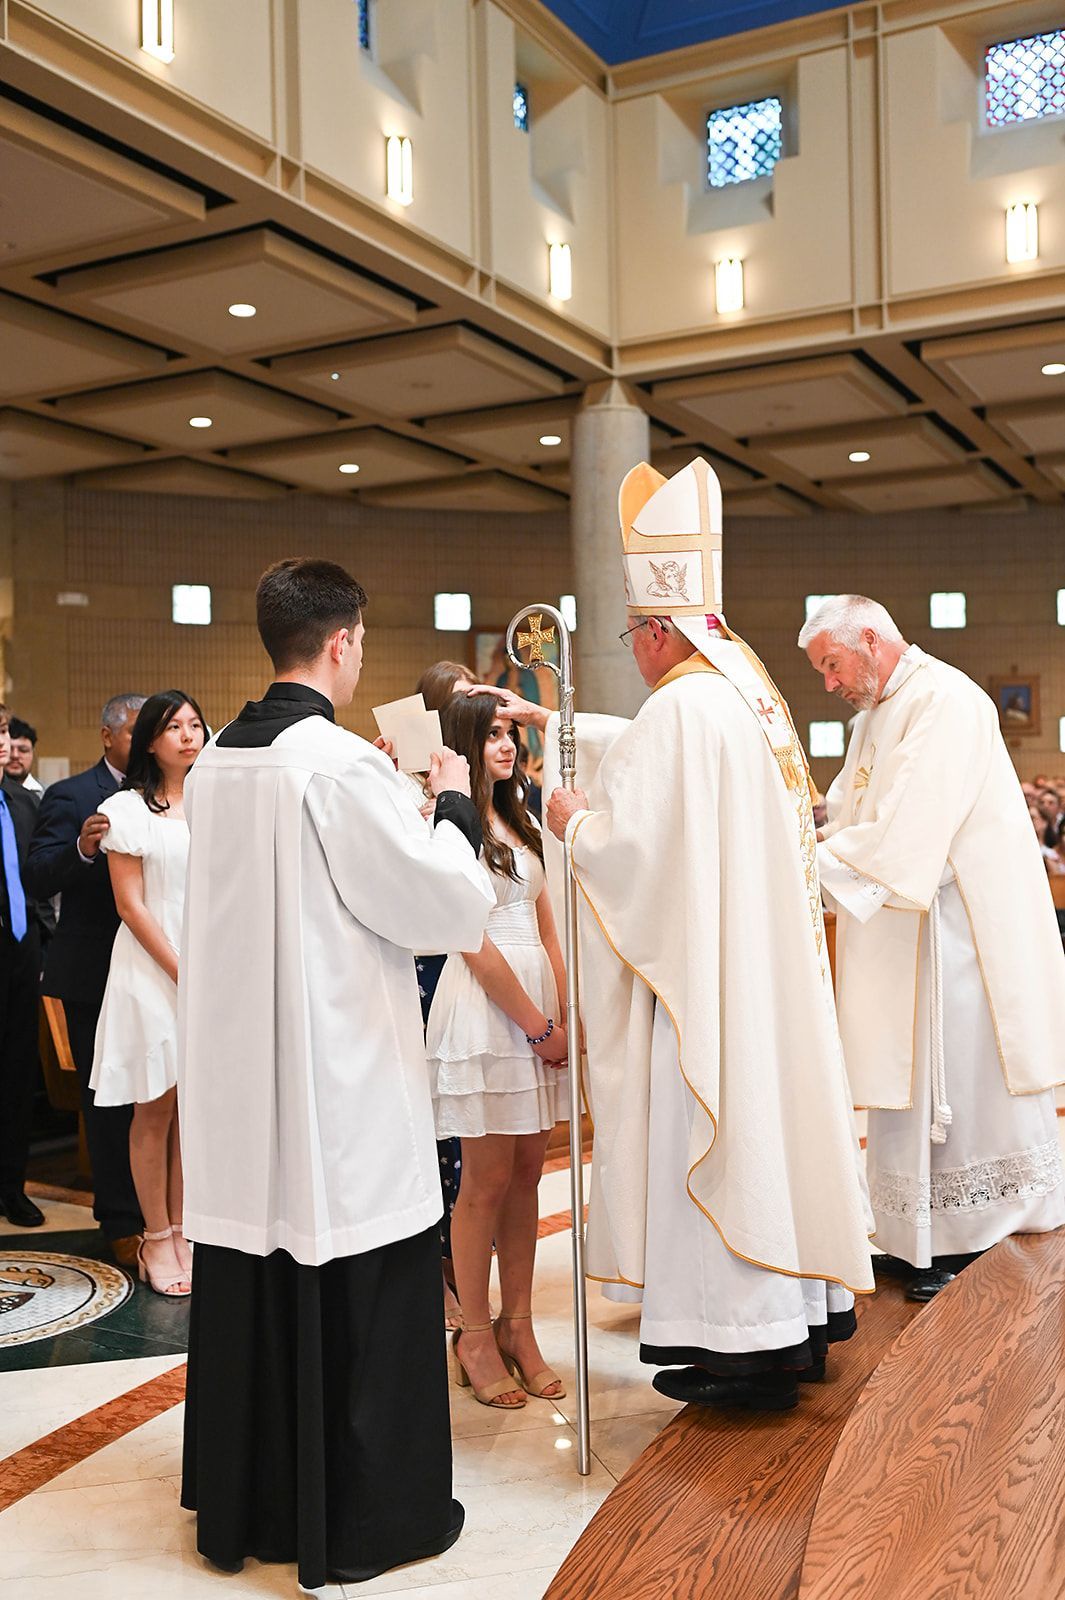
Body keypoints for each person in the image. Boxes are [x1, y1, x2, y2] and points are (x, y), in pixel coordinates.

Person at [502, 457, 873, 1413]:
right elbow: (666, 774)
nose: (632, 647)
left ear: (660, 628)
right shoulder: (749, 696)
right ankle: (796, 1329)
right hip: (763, 978)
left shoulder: (681, 708)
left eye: (632, 632)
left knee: (712, 1141)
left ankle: (740, 1344)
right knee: (770, 1135)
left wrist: (572, 823)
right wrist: (557, 723)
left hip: (705, 983)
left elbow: (636, 853)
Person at [178, 558, 494, 1590]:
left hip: (242, 1081)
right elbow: (437, 906)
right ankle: (362, 1518)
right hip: (335, 1074)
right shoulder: (336, 765)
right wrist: (452, 807)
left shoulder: (217, 761)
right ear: (343, 641)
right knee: (351, 1258)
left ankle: (253, 1507)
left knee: (258, 1265)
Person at [799, 595, 1065, 1299]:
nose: (829, 682)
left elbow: (909, 831)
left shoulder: (943, 700)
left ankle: (969, 1230)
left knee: (958, 1085)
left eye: (831, 665)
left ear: (869, 639)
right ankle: (912, 1230)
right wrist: (810, 833)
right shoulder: (875, 714)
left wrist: (805, 859)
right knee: (904, 1081)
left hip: (959, 937)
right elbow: (851, 808)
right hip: (906, 926)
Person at [426, 693, 568, 1409]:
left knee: (527, 1176)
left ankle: (520, 1325)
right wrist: (535, 1026)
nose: (507, 745)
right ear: (463, 745)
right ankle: (474, 1334)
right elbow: (470, 940)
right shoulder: (448, 826)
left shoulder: (525, 819)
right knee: (482, 1180)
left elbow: (548, 928)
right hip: (486, 1005)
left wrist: (564, 1013)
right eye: (491, 736)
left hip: (535, 999)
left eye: (511, 732)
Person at [91, 691, 205, 1296]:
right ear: (150, 742)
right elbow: (130, 906)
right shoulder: (125, 809)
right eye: (173, 727)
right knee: (154, 1107)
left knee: (192, 1109)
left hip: (205, 968)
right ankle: (155, 1237)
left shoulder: (214, 804)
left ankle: (184, 1229)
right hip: (151, 969)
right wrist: (184, 971)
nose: (188, 736)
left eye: (195, 725)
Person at [25, 694, 145, 1261]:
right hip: (94, 970)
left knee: (159, 1095)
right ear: (107, 736)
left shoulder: (173, 794)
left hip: (157, 966)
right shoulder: (70, 795)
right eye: (136, 731)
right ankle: (119, 1217)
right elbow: (37, 875)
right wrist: (81, 848)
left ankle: (165, 1215)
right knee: (106, 1099)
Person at [414, 659, 478, 1331]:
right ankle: (433, 1270)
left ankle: (465, 1265)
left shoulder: (488, 782)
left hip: (474, 965)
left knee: (467, 1133)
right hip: (425, 970)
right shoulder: (408, 783)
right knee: (431, 1122)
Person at [0, 704, 50, 1227]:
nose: (3, 742)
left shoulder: (24, 802)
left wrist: (43, 942)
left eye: (3, 731)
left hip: (21, 947)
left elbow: (36, 877)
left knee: (18, 1071)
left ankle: (12, 1186)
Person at [7, 719, 43, 796]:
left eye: (23, 750)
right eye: (9, 749)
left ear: (33, 753)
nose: (15, 755)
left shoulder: (47, 795)